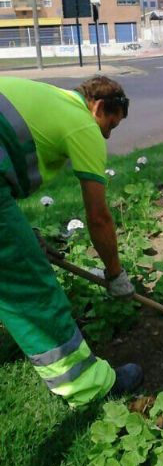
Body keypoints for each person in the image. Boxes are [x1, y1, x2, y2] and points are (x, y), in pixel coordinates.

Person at [0, 75, 143, 407]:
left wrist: (24, 234)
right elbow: (98, 217)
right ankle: (88, 386)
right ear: (97, 107)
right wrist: (114, 273)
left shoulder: (54, 99)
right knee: (29, 285)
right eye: (109, 124)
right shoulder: (83, 125)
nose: (106, 135)